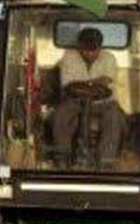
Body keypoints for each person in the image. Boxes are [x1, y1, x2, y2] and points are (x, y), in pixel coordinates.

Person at [50, 25, 124, 167]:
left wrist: (84, 84)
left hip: (104, 103)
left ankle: (106, 160)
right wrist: (94, 83)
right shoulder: (69, 57)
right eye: (86, 49)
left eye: (94, 50)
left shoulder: (109, 58)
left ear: (100, 47)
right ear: (79, 46)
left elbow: (106, 82)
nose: (90, 53)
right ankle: (62, 155)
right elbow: (68, 85)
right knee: (60, 113)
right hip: (74, 101)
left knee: (114, 115)